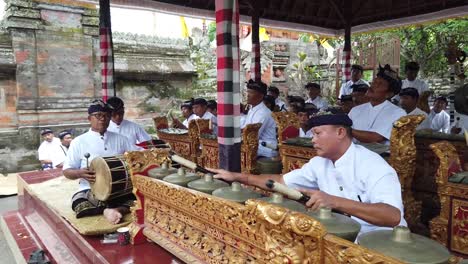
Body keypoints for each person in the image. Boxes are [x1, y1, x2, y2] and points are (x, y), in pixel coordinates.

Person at [210, 113, 406, 237]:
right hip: (337, 233)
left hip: (376, 241)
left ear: (340, 132)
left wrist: (334, 201)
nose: (312, 140)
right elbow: (279, 181)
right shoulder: (319, 163)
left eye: (317, 133)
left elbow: (392, 216)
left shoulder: (373, 165)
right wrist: (236, 176)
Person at [63, 100, 139, 224]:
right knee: (80, 204)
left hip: (119, 190)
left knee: (139, 198)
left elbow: (137, 157)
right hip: (90, 190)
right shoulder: (78, 142)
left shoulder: (121, 139)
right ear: (89, 118)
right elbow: (67, 171)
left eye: (106, 115)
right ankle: (112, 210)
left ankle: (112, 210)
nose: (103, 119)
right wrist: (79, 173)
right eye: (98, 115)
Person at [348, 64, 406, 144]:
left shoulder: (397, 112)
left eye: (380, 84)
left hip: (380, 156)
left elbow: (374, 138)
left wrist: (346, 129)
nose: (374, 85)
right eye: (374, 81)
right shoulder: (355, 110)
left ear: (389, 94)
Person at [242, 79, 278, 157]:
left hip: (268, 146)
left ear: (261, 96)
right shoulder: (252, 109)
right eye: (247, 92)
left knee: (235, 146)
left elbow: (252, 135)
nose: (247, 95)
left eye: (251, 92)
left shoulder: (263, 112)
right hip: (257, 143)